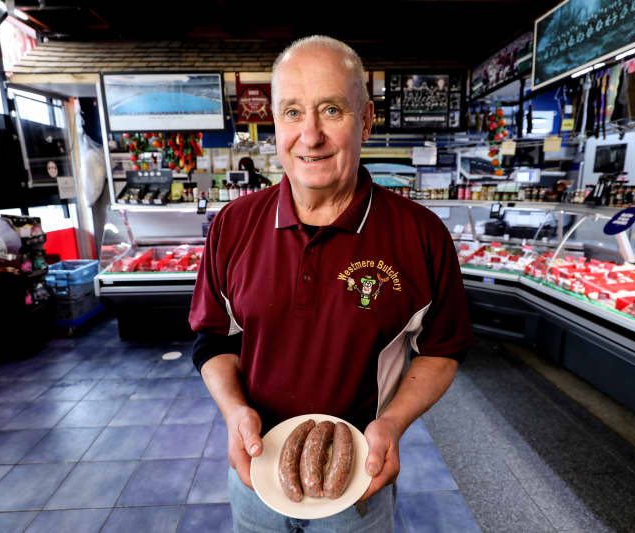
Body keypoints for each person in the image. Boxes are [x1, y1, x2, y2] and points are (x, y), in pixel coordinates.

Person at [189, 35, 472, 532]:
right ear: (274, 123)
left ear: (365, 120)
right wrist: (235, 411)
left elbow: (441, 350)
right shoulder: (233, 226)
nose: (310, 135)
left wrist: (392, 423)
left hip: (359, 485)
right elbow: (213, 340)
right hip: (255, 476)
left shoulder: (420, 235)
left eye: (331, 110)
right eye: (292, 112)